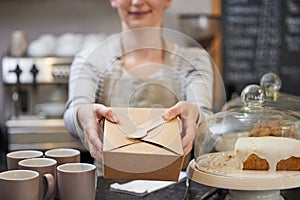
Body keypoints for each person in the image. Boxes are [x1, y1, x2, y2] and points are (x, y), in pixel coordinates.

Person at [64, 0, 214, 176]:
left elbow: (206, 121)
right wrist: (81, 114)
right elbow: (72, 113)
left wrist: (197, 117)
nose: (137, 2)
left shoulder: (194, 60)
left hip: (175, 187)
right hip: (107, 186)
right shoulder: (91, 59)